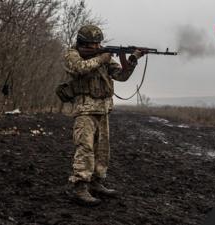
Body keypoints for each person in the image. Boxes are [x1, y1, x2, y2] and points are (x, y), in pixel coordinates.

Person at [64, 25, 143, 206]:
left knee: (102, 151)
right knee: (85, 149)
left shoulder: (103, 57)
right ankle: (80, 187)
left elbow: (121, 76)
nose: (97, 46)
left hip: (103, 109)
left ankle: (97, 182)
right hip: (85, 110)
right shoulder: (72, 54)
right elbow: (79, 68)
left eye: (99, 43)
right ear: (83, 43)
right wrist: (102, 58)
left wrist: (132, 59)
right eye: (93, 44)